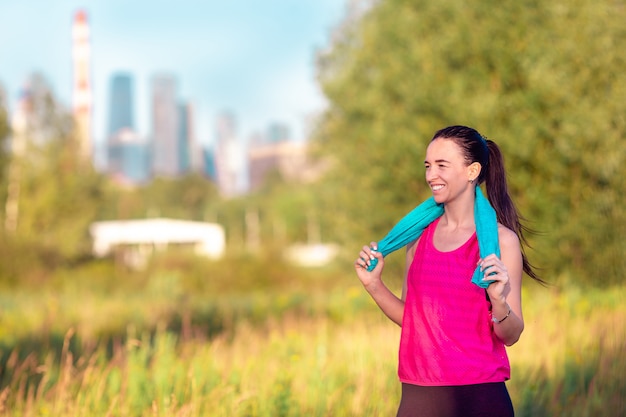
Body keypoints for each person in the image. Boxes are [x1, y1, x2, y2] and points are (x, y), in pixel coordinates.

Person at [354, 125, 543, 417]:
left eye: (442, 165)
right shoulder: (417, 238)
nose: (431, 175)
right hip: (419, 393)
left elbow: (511, 334)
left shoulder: (501, 242)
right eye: (428, 166)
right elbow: (413, 320)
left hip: (480, 396)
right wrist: (374, 285)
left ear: (472, 171)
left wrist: (498, 300)